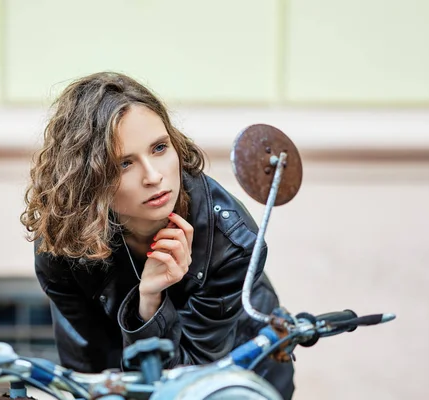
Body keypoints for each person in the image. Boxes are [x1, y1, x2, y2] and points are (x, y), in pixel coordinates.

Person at [20, 71, 295, 399]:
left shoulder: (231, 242)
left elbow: (192, 383)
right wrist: (146, 302)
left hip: (240, 381)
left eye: (159, 148)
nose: (154, 176)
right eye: (123, 164)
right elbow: (88, 375)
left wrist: (148, 309)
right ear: (87, 179)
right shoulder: (64, 244)